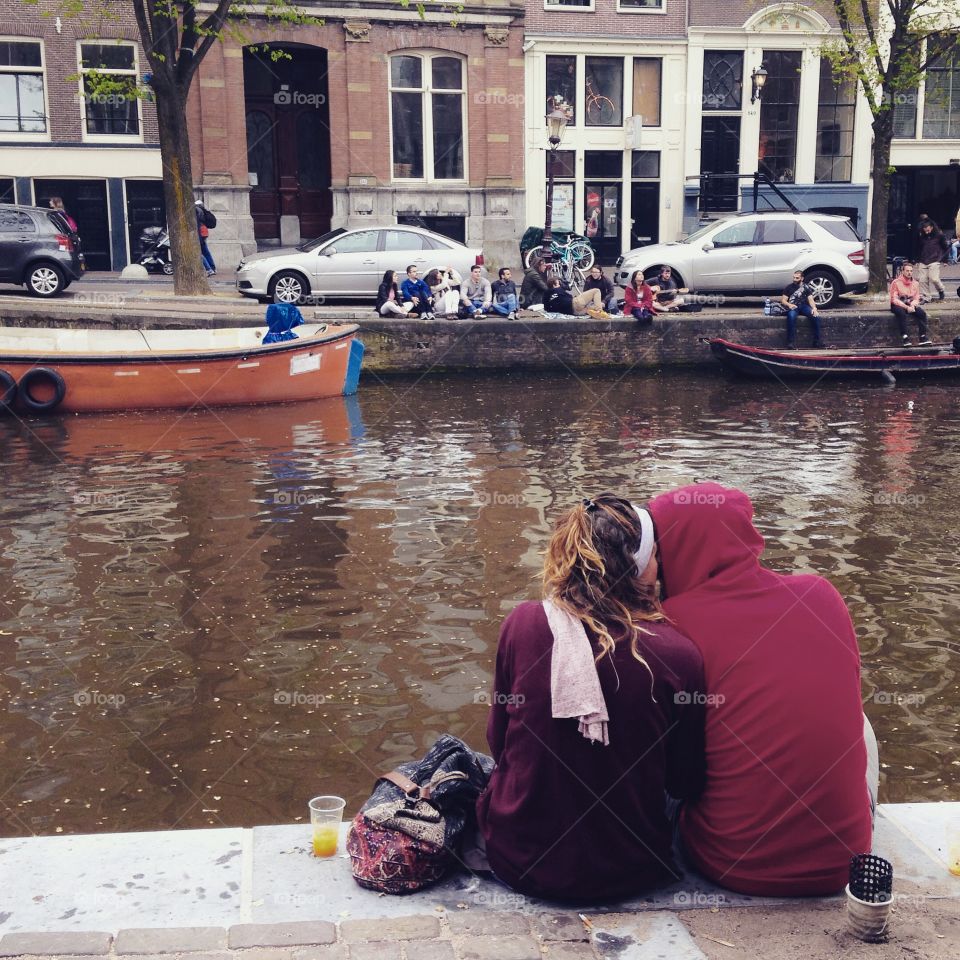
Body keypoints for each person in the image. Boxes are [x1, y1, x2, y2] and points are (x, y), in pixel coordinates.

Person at [648, 482, 876, 896]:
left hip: (733, 864)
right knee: (861, 724)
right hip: (846, 861)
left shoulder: (670, 624)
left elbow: (675, 769)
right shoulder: (822, 595)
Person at [476, 494, 706, 902]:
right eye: (655, 555)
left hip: (519, 861)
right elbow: (685, 780)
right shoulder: (678, 653)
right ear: (639, 566)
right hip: (632, 869)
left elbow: (499, 742)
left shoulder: (524, 623)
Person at [889, 261, 932, 346]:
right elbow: (894, 299)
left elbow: (916, 298)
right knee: (902, 314)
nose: (909, 273)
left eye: (911, 271)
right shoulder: (896, 282)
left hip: (909, 304)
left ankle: (922, 337)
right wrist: (906, 307)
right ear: (903, 271)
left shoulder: (915, 283)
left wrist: (913, 305)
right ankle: (905, 337)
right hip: (898, 304)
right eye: (907, 271)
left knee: (922, 313)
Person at [780, 270, 824, 348]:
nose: (794, 279)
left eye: (797, 278)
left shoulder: (806, 287)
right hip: (793, 306)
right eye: (794, 277)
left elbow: (810, 300)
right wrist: (789, 305)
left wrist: (814, 308)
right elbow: (783, 300)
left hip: (804, 306)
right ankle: (790, 342)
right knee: (791, 317)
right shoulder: (789, 287)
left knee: (815, 316)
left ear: (802, 278)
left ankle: (817, 342)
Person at [914, 218, 947, 301]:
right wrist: (916, 260)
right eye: (924, 230)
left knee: (934, 278)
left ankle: (941, 290)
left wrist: (945, 260)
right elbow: (918, 248)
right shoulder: (921, 236)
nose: (926, 231)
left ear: (932, 227)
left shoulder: (939, 235)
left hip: (935, 260)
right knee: (922, 280)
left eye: (927, 229)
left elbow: (945, 248)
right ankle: (926, 297)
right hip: (923, 260)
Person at [545, 278, 610, 319]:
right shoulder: (558, 289)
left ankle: (594, 310)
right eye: (558, 283)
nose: (560, 285)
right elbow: (570, 296)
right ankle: (599, 311)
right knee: (596, 291)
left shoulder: (546, 295)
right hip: (575, 303)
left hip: (573, 312)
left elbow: (547, 309)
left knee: (591, 308)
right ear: (554, 285)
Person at [195, 199, 216, 276]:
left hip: (200, 232)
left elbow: (196, 223)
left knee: (198, 251)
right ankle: (212, 267)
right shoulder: (203, 211)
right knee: (205, 252)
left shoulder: (197, 211)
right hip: (204, 231)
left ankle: (209, 269)